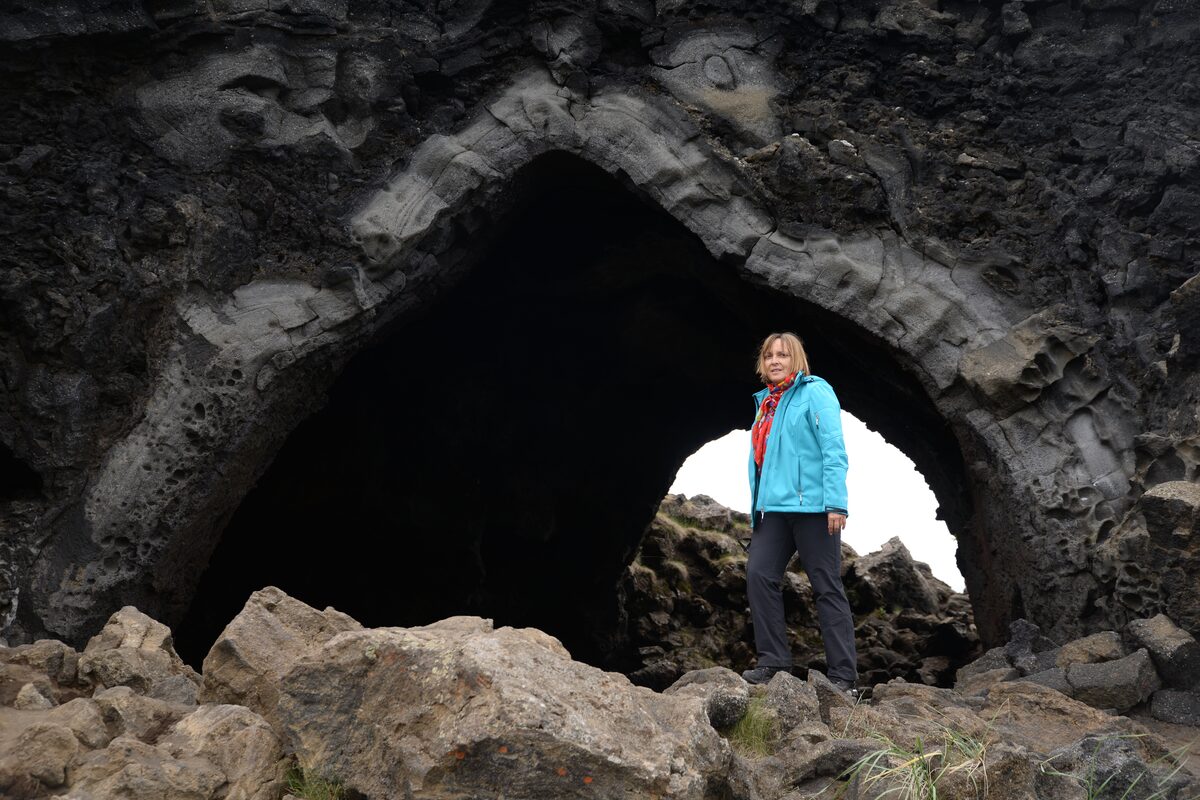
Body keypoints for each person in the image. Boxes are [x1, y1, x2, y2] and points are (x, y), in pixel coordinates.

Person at [741, 332, 858, 695]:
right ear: (763, 363)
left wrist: (836, 502)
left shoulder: (815, 392)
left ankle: (844, 677)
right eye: (770, 356)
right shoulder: (765, 404)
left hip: (813, 509)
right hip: (772, 510)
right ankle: (773, 662)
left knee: (826, 587)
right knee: (759, 576)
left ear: (797, 360)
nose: (776, 361)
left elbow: (833, 447)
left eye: (784, 355)